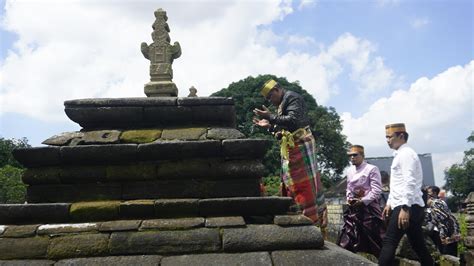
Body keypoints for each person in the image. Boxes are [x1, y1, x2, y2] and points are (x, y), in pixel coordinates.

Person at [253, 79, 327, 232]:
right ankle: (295, 213)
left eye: (270, 96)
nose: (270, 101)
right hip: (291, 147)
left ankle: (311, 219)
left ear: (277, 89)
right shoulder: (281, 105)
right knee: (291, 182)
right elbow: (282, 130)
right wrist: (269, 127)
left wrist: (270, 117)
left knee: (303, 184)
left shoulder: (292, 97)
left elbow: (294, 121)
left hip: (300, 144)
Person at [378, 123, 434, 265]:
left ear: (401, 136)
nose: (387, 141)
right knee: (418, 244)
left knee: (389, 241)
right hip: (408, 204)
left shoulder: (406, 154)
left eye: (390, 137)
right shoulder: (401, 154)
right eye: (386, 137)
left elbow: (410, 182)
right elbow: (397, 183)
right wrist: (390, 202)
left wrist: (405, 208)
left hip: (407, 205)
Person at [337, 145, 385, 257]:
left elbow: (377, 190)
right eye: (350, 156)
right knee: (348, 236)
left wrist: (363, 201)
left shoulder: (371, 169)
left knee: (374, 236)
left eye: (355, 155)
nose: (352, 158)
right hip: (354, 208)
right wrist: (349, 198)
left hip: (369, 207)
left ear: (362, 155)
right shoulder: (349, 171)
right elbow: (349, 187)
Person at [425, 185, 461, 257]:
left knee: (448, 254)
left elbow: (440, 217)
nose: (427, 195)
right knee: (450, 253)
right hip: (449, 231)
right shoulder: (439, 202)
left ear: (434, 193)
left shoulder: (436, 203)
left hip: (447, 232)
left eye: (428, 193)